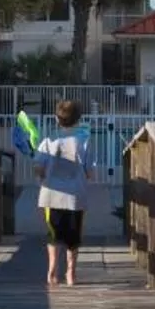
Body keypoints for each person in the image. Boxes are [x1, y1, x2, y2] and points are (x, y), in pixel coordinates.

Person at [34, 99, 95, 286]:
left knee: (53, 234)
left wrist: (43, 175)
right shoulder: (84, 140)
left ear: (56, 118)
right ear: (79, 120)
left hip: (52, 195)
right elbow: (89, 172)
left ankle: (52, 270)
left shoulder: (48, 140)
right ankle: (71, 272)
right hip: (75, 195)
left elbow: (38, 168)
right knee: (73, 236)